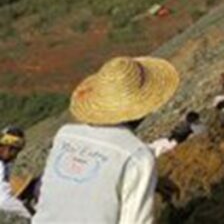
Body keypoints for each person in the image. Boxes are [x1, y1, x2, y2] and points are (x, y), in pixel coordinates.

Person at [34, 56, 180, 223]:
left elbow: (75, 187)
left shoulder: (65, 135)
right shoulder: (138, 156)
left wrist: (151, 181)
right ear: (144, 108)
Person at [0, 126, 31, 219]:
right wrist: (32, 213)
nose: (16, 156)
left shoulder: (5, 163)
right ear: (7, 147)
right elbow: (3, 201)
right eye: (15, 151)